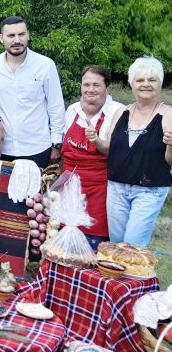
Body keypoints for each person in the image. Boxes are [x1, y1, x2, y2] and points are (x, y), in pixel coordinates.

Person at [96, 57, 172, 248]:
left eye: (152, 80)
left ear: (160, 83)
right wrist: (94, 139)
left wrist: (171, 145)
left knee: (132, 245)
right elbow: (109, 149)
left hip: (150, 190)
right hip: (116, 187)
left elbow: (170, 161)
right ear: (131, 84)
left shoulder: (168, 114)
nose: (146, 84)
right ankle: (121, 279)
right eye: (140, 80)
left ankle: (137, 279)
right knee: (116, 245)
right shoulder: (121, 113)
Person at [0, 16, 65, 167]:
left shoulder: (45, 65)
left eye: (21, 34)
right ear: (2, 38)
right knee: (2, 191)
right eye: (11, 35)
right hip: (2, 148)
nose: (17, 40)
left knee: (38, 191)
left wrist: (56, 144)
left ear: (28, 35)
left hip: (38, 147)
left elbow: (56, 106)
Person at [61, 66, 124, 249]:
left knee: (93, 241)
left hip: (99, 187)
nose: (90, 89)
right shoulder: (72, 110)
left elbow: (115, 151)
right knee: (66, 238)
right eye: (86, 84)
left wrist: (96, 140)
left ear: (108, 88)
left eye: (96, 85)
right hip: (71, 185)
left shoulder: (118, 112)